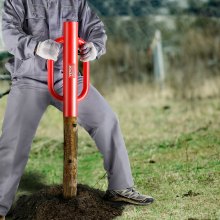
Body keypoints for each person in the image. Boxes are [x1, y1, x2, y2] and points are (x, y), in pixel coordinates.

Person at [0, 0, 153, 218]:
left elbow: (95, 28)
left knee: (106, 120)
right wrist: (37, 46)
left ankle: (120, 187)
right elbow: (9, 33)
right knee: (13, 142)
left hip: (68, 75)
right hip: (28, 79)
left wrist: (95, 47)